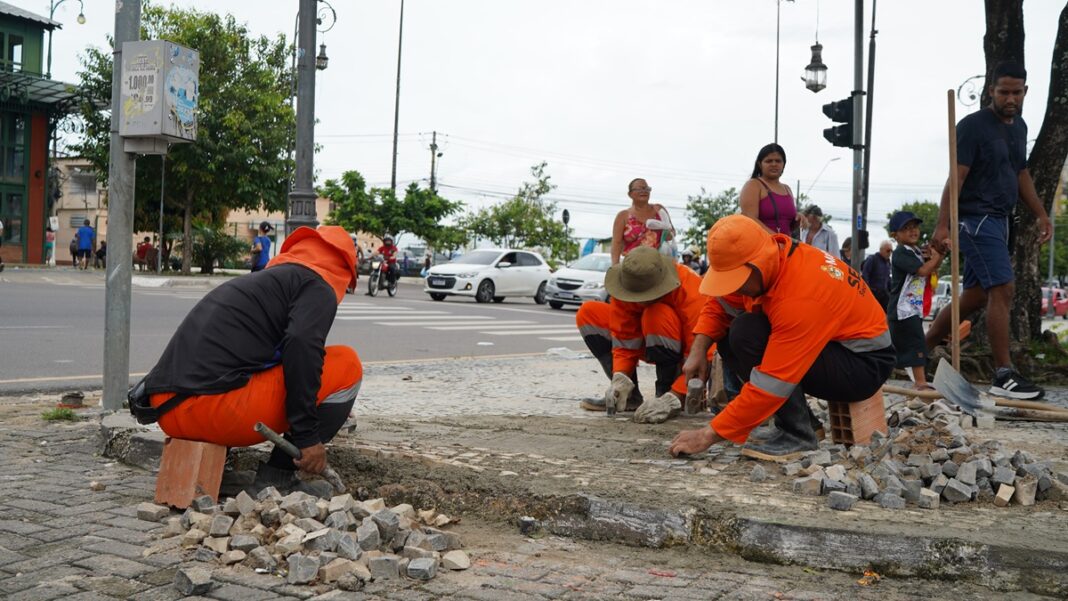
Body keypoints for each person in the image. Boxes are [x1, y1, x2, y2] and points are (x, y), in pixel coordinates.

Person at [135, 226, 361, 497]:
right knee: (347, 364)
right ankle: (278, 476)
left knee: (255, 365)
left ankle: (220, 473)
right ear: (343, 270)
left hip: (168, 410)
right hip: (212, 411)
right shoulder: (317, 284)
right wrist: (308, 436)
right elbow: (302, 349)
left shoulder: (267, 284)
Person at [669, 216, 893, 462]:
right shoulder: (776, 256)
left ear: (758, 264)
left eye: (738, 280)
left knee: (746, 332)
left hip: (862, 365)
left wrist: (707, 435)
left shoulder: (801, 296)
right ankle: (805, 422)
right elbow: (721, 304)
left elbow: (771, 383)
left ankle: (798, 435)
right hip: (835, 347)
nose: (736, 289)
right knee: (736, 331)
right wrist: (698, 350)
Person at [927, 61, 1051, 400]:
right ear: (991, 92)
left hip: (1001, 219)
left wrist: (1041, 214)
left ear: (1025, 92)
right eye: (1003, 92)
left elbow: (1021, 173)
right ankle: (1003, 374)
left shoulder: (1019, 127)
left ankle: (918, 351)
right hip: (975, 219)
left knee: (978, 295)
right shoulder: (973, 127)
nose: (1010, 98)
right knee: (1004, 287)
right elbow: (957, 177)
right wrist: (942, 223)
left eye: (1016, 92)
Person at [574, 246, 710, 420]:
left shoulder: (690, 290)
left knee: (655, 314)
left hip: (680, 349)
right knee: (588, 313)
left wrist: (676, 395)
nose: (638, 301)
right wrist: (620, 377)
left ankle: (665, 392)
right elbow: (624, 341)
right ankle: (629, 397)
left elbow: (703, 355)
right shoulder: (629, 283)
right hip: (647, 339)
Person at [887, 212, 944, 390]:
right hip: (903, 309)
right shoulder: (900, 253)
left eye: (914, 227)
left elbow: (933, 265)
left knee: (905, 345)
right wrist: (934, 258)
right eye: (906, 228)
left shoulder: (916, 251)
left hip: (912, 308)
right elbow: (922, 271)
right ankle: (920, 383)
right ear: (895, 235)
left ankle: (914, 380)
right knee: (916, 343)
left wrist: (940, 252)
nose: (912, 231)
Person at [611, 178, 675, 265]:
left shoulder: (659, 210)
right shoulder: (623, 216)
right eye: (639, 189)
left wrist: (667, 233)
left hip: (658, 265)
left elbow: (672, 233)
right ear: (630, 194)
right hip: (633, 266)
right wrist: (615, 266)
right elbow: (616, 243)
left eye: (646, 189)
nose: (644, 191)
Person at [738, 143, 798, 235]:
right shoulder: (753, 185)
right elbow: (750, 220)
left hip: (785, 247)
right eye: (769, 161)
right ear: (760, 164)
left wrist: (799, 220)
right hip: (761, 247)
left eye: (778, 161)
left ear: (784, 164)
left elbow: (788, 225)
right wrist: (777, 239)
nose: (774, 164)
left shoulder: (787, 189)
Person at [862, 240, 893, 309]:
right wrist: (868, 292)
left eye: (891, 251)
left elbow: (888, 279)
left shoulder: (888, 263)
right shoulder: (872, 259)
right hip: (873, 294)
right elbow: (865, 275)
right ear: (881, 250)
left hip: (884, 294)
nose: (890, 253)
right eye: (888, 250)